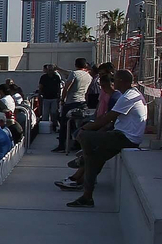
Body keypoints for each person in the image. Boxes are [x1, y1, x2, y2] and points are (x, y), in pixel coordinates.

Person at [61, 69, 146, 208]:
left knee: (84, 136)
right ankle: (87, 196)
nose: (113, 82)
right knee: (94, 158)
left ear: (121, 81)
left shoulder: (127, 97)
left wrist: (85, 128)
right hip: (123, 135)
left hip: (125, 137)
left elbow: (108, 118)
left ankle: (84, 158)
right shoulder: (132, 94)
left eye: (114, 79)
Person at [56, 58, 93, 151]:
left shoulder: (74, 74)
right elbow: (87, 91)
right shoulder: (89, 76)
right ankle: (76, 144)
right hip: (82, 102)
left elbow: (67, 87)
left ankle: (62, 145)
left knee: (64, 124)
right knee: (78, 124)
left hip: (71, 102)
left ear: (75, 65)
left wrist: (62, 99)